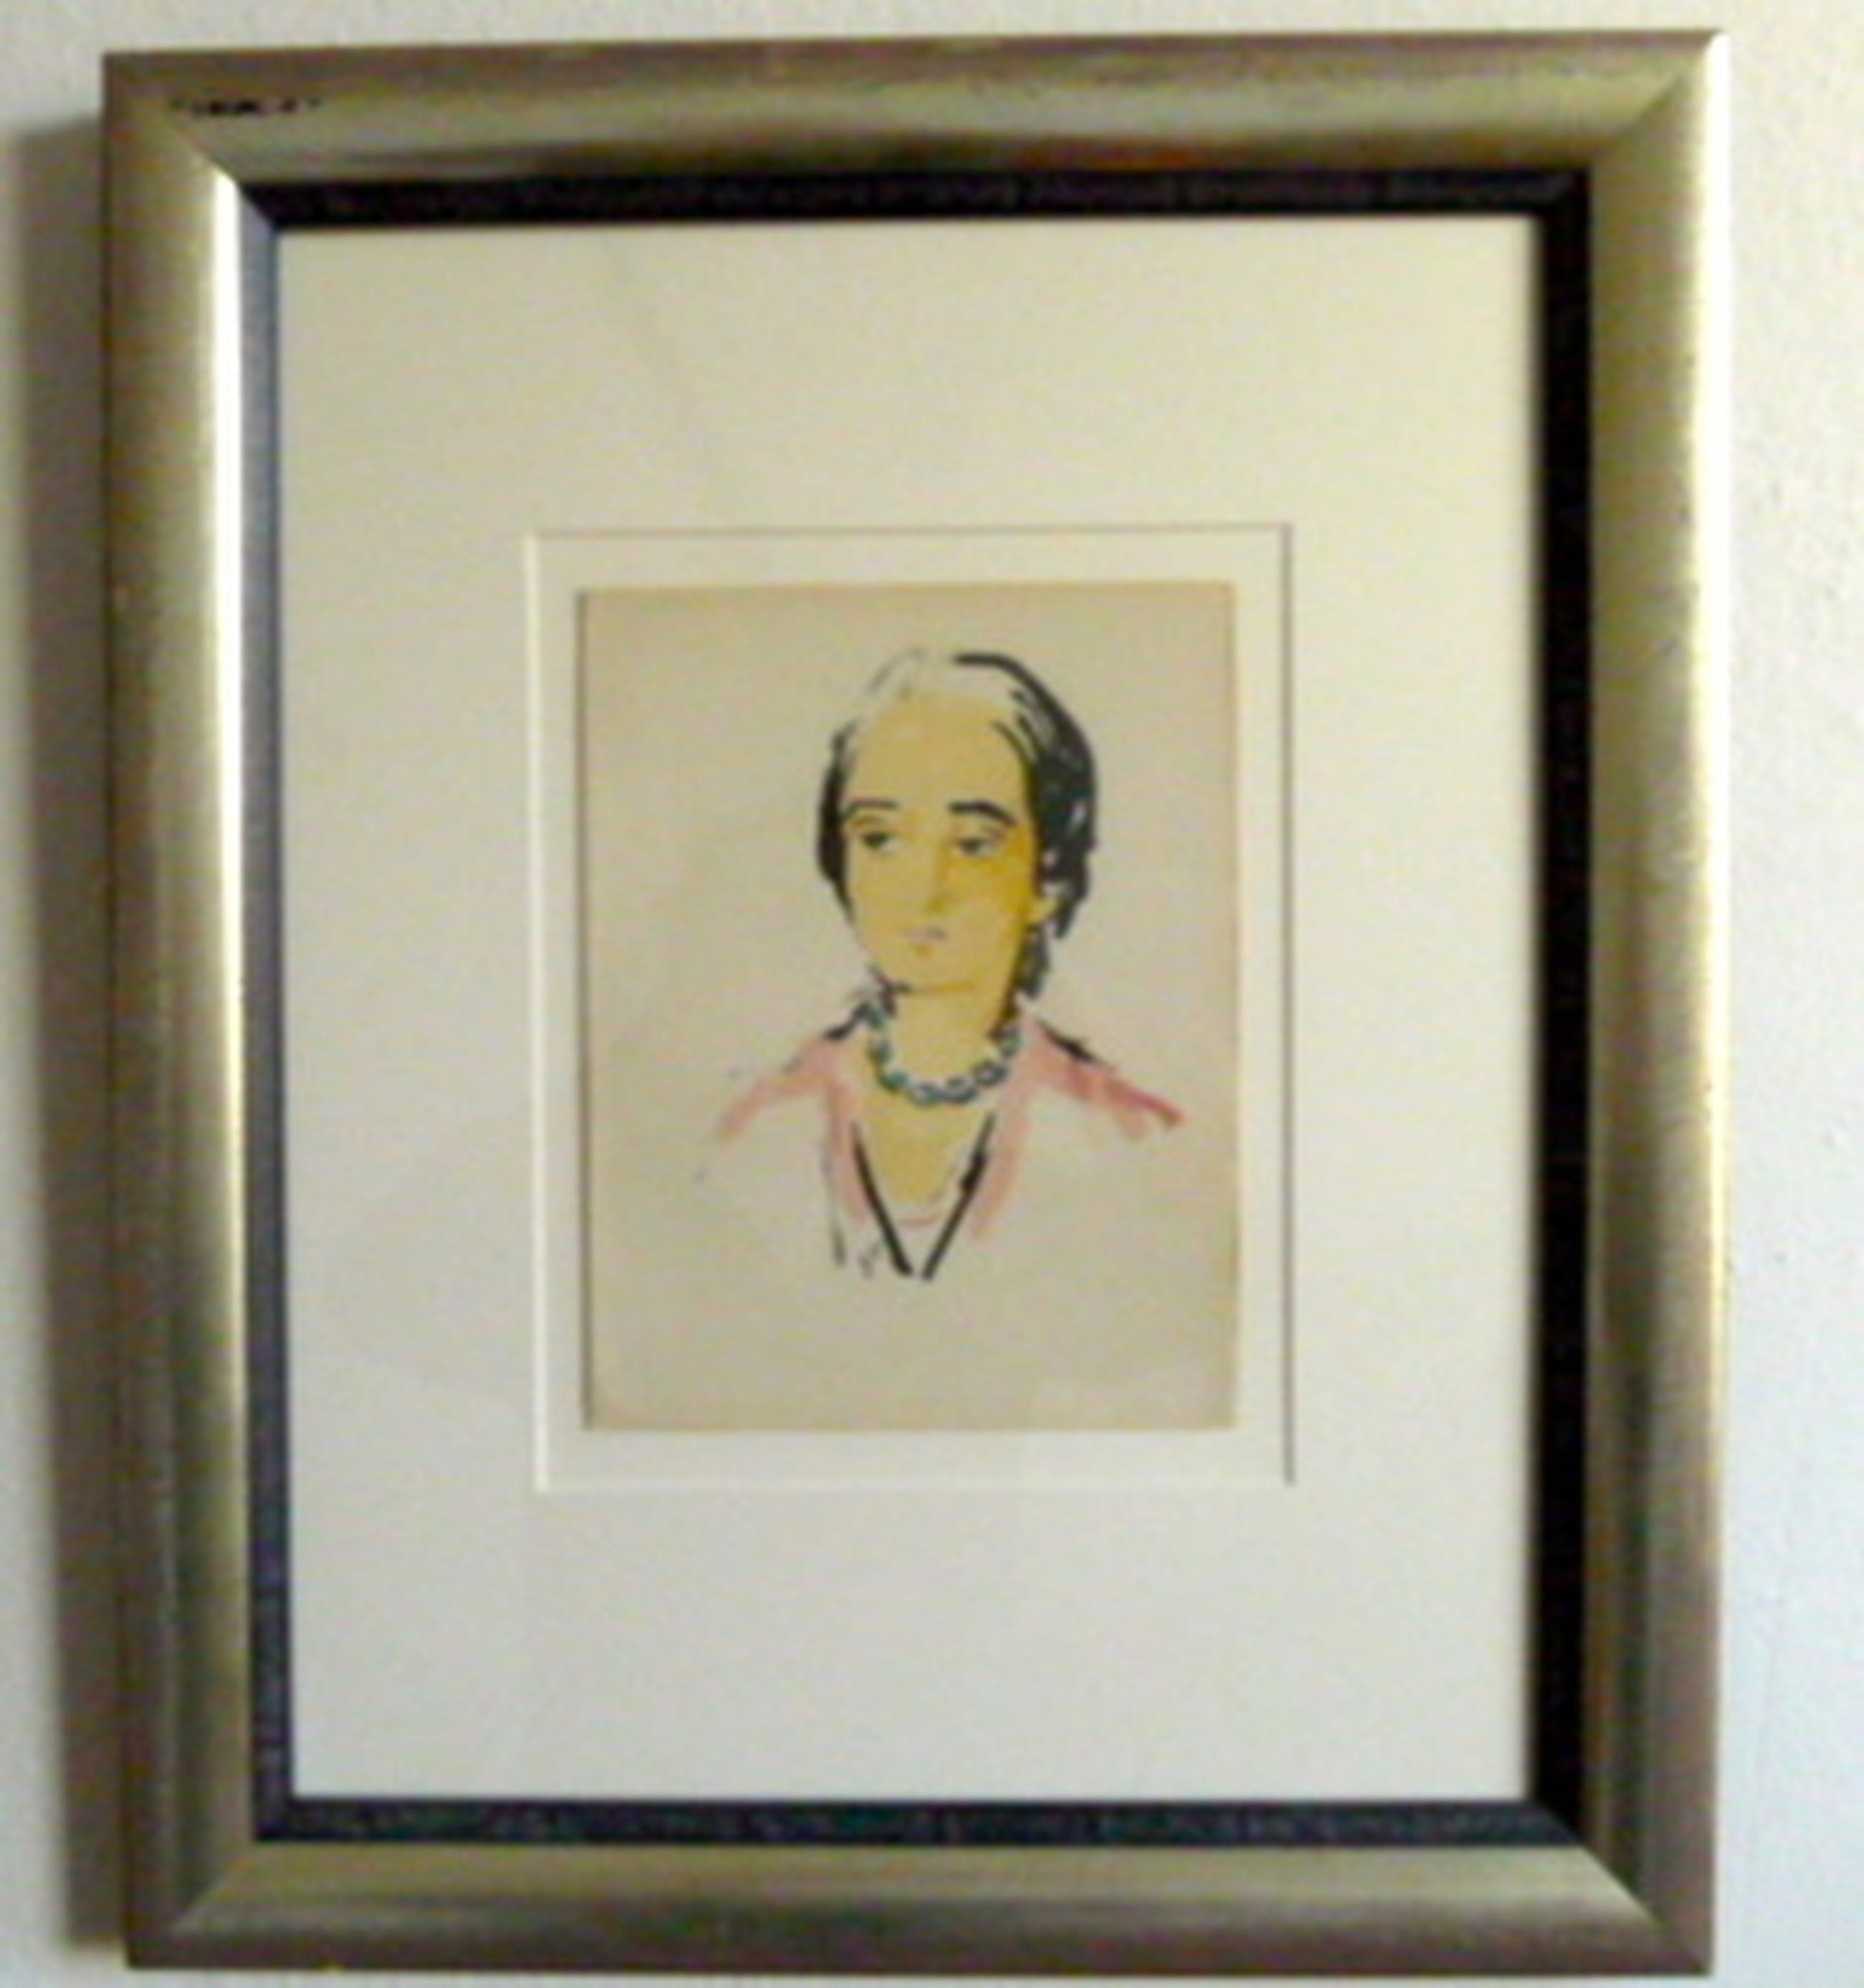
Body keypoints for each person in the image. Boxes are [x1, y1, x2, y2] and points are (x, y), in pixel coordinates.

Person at [717, 647, 1180, 1280]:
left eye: (973, 844)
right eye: (880, 838)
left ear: (1047, 879)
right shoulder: (757, 1125)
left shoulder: (1131, 1137)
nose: (923, 885)